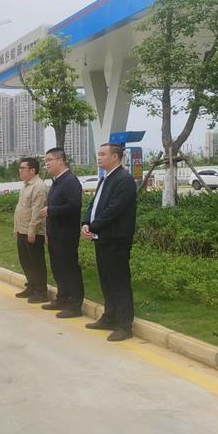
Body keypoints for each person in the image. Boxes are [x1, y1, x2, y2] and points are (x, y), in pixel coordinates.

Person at [81, 143, 138, 341]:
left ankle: (124, 325)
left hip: (116, 240)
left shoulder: (124, 180)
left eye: (102, 154)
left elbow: (114, 210)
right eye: (98, 154)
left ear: (115, 157)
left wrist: (94, 226)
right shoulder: (105, 178)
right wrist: (86, 223)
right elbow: (94, 205)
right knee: (106, 280)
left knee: (119, 282)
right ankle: (109, 317)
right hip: (102, 238)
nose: (98, 157)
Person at [39, 148, 85, 318]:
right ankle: (62, 298)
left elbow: (74, 206)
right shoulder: (57, 181)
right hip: (55, 233)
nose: (47, 164)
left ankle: (75, 305)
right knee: (58, 267)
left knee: (69, 268)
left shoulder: (70, 181)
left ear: (60, 160)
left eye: (49, 160)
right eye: (46, 161)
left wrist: (50, 210)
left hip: (66, 234)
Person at [13, 157, 48, 303]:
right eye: (20, 168)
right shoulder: (25, 186)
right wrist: (16, 228)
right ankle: (31, 286)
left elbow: (37, 211)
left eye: (23, 168)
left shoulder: (39, 186)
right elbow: (20, 209)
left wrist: (32, 230)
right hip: (22, 230)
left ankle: (41, 291)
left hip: (33, 232)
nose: (20, 171)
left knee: (36, 261)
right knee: (25, 260)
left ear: (32, 170)